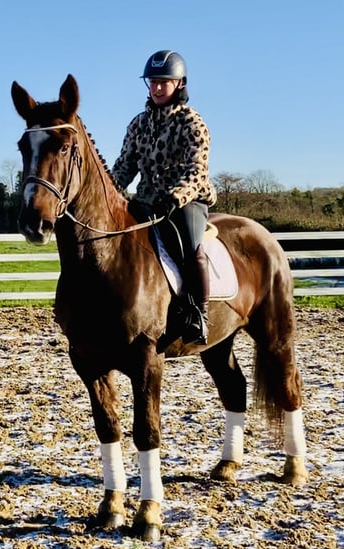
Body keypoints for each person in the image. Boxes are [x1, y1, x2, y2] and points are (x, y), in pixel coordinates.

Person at [112, 50, 217, 345]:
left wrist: (175, 196)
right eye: (153, 82)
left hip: (187, 200)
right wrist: (110, 193)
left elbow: (196, 170)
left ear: (179, 83)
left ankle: (199, 313)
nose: (157, 88)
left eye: (164, 82)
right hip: (146, 200)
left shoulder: (192, 123)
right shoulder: (138, 124)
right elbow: (124, 166)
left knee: (190, 245)